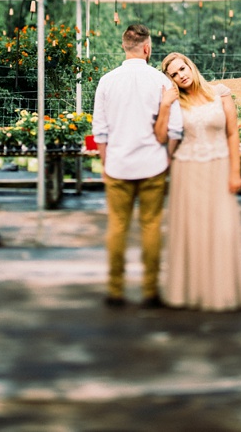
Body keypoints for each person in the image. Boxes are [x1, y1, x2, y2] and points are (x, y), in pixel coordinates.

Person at [91, 24, 183, 308]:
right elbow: (176, 130)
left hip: (118, 165)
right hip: (152, 164)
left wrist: (107, 163)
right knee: (151, 226)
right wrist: (166, 158)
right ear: (147, 48)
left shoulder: (107, 81)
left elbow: (100, 131)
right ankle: (149, 291)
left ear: (124, 46)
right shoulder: (162, 82)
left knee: (117, 226)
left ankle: (115, 290)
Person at [159, 52, 241, 311]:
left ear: (190, 65)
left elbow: (232, 133)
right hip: (187, 170)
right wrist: (165, 105)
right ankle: (190, 292)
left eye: (182, 69)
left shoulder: (220, 93)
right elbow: (163, 135)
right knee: (192, 231)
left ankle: (219, 291)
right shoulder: (175, 102)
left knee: (221, 228)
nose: (181, 75)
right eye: (174, 75)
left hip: (220, 166)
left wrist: (235, 171)